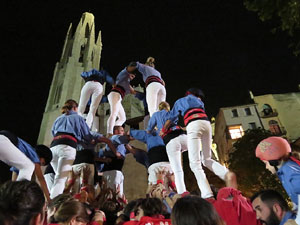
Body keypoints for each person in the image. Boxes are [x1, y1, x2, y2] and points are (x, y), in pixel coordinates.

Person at [161, 88, 229, 199]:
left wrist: (163, 130)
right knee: (207, 159)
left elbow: (171, 118)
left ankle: (207, 194)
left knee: (195, 164)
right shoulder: (199, 101)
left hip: (193, 124)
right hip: (206, 123)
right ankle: (227, 174)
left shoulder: (180, 101)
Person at [50, 99, 118, 199]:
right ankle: (56, 205)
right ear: (74, 108)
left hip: (54, 146)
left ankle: (54, 202)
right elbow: (87, 134)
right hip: (68, 146)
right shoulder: (77, 117)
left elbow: (53, 132)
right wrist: (89, 141)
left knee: (61, 180)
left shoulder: (59, 118)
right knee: (61, 179)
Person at [146, 101, 188, 194]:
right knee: (196, 158)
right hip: (182, 136)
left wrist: (155, 130)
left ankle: (182, 192)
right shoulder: (171, 112)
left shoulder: (156, 115)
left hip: (171, 140)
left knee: (177, 169)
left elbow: (148, 130)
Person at [0, 130, 52, 202]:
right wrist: (48, 198)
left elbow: (14, 180)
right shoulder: (34, 156)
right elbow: (41, 179)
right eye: (42, 163)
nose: (39, 166)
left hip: (4, 139)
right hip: (5, 140)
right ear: (41, 157)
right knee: (29, 167)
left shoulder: (22, 158)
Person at [256, 137, 300, 209]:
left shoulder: (290, 171)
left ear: (273, 162)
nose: (266, 167)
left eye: (266, 163)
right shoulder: (284, 172)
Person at [106, 65, 136, 137]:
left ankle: (115, 129)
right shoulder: (123, 77)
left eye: (134, 77)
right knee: (114, 113)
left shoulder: (127, 83)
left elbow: (133, 91)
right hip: (115, 94)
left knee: (123, 118)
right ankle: (109, 132)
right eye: (132, 75)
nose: (132, 77)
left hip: (118, 97)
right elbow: (125, 71)